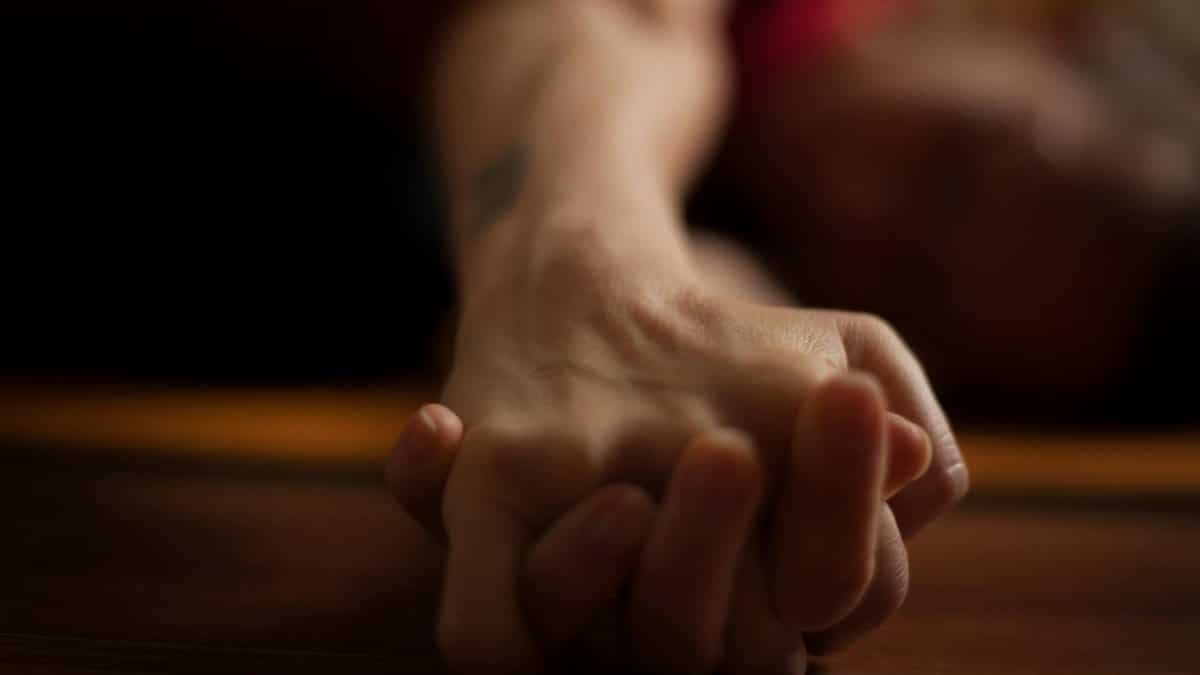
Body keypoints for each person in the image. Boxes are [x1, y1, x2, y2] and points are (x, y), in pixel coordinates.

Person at [384, 2, 970, 674]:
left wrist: (743, 485)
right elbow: (617, 17)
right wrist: (595, 285)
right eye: (958, 176)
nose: (868, 209)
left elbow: (698, 325)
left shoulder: (777, 261)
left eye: (915, 283)